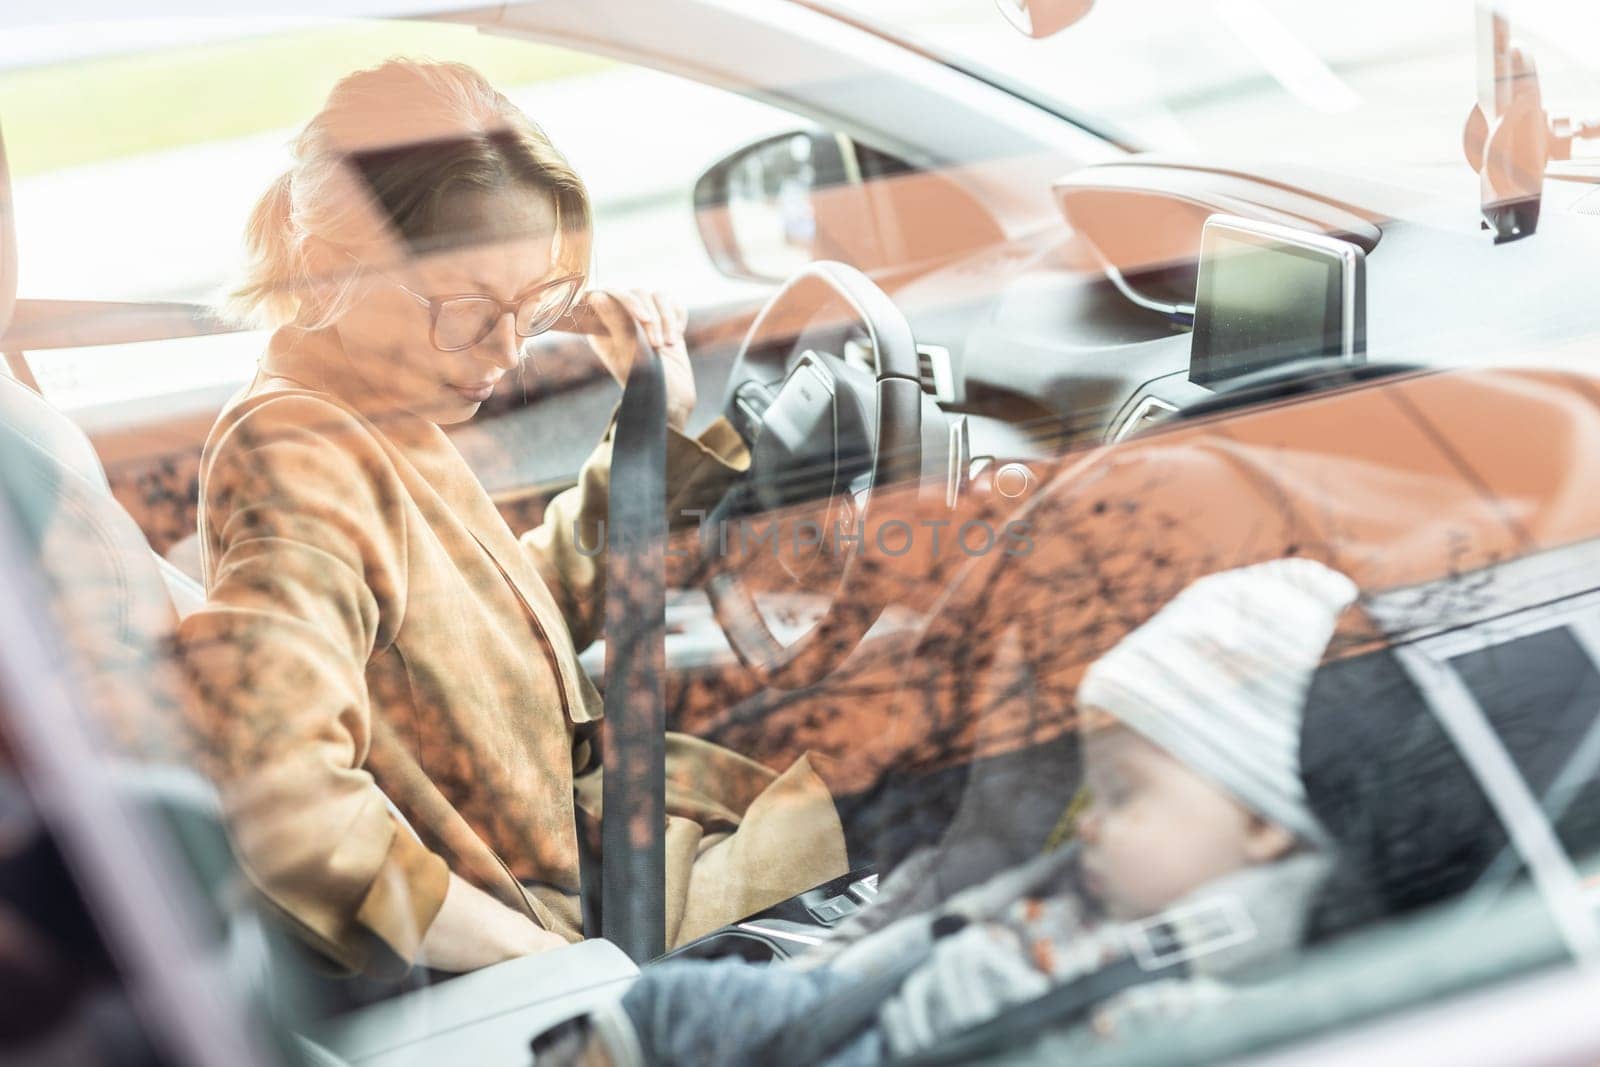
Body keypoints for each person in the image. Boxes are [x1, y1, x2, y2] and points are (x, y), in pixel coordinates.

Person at [174, 59, 847, 979]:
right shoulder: (299, 455)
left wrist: (652, 430)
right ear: (333, 267)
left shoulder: (380, 411)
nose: (505, 353)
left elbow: (508, 624)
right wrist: (538, 965)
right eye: (468, 310)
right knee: (970, 765)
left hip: (629, 849)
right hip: (606, 920)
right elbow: (283, 803)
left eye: (532, 311)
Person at [539, 557, 1356, 1065]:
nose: (1090, 825)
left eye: (1124, 794)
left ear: (1264, 820)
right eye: (1091, 795)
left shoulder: (1198, 1015)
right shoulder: (1081, 894)